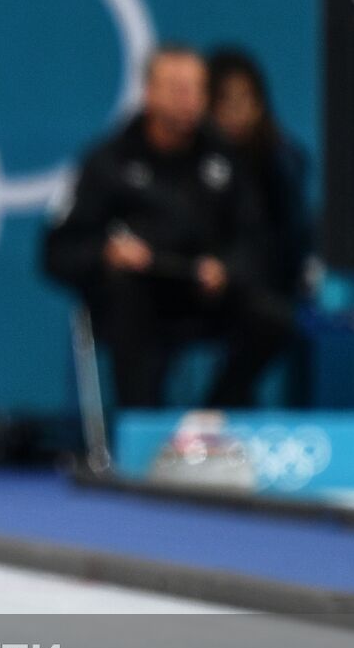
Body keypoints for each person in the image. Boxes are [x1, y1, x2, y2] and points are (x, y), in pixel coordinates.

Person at [43, 43, 293, 408]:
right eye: (177, 88)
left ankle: (211, 417)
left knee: (274, 318)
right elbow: (57, 251)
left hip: (203, 294)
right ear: (149, 93)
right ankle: (141, 427)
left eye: (196, 88)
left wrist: (227, 268)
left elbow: (255, 237)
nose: (188, 98)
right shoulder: (107, 162)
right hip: (137, 298)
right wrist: (107, 253)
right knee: (126, 297)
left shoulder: (224, 158)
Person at [207, 47, 311, 303]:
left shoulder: (282, 160)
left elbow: (292, 242)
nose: (237, 112)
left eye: (246, 99)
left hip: (266, 289)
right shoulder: (192, 160)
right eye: (225, 101)